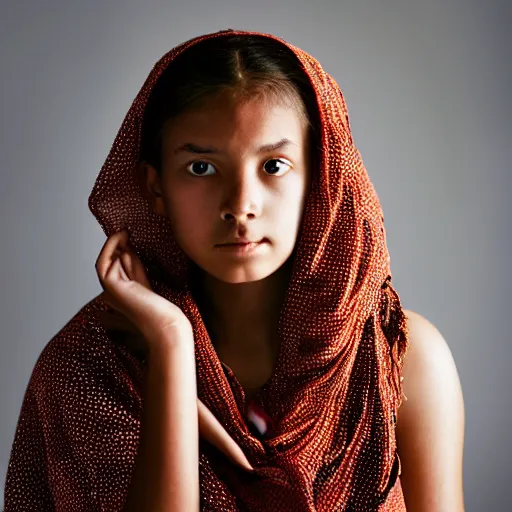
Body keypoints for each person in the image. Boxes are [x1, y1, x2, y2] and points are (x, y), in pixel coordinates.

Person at [4, 29, 465, 511]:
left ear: (320, 177)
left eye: (274, 166)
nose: (240, 205)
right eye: (201, 168)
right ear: (155, 188)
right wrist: (171, 344)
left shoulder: (400, 361)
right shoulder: (89, 367)